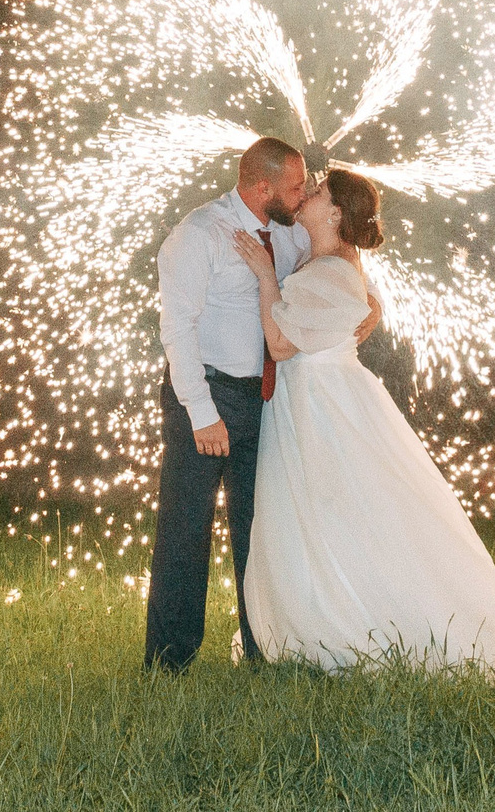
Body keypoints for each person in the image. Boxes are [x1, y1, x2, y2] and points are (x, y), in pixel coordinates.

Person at [234, 166, 495, 677]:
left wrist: (263, 277)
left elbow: (281, 342)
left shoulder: (331, 270)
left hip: (323, 406)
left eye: (318, 191)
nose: (308, 195)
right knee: (323, 514)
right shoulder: (324, 260)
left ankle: (349, 620)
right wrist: (371, 303)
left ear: (336, 212)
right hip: (312, 401)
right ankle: (321, 612)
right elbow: (341, 299)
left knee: (335, 510)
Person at [143, 136, 377, 671]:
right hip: (205, 393)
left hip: (265, 400)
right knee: (185, 530)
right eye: (296, 187)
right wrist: (202, 414)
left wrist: (368, 301)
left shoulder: (289, 233)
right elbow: (177, 329)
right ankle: (168, 661)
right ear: (262, 187)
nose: (304, 196)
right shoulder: (200, 233)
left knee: (259, 532)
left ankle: (261, 650)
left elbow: (326, 273)